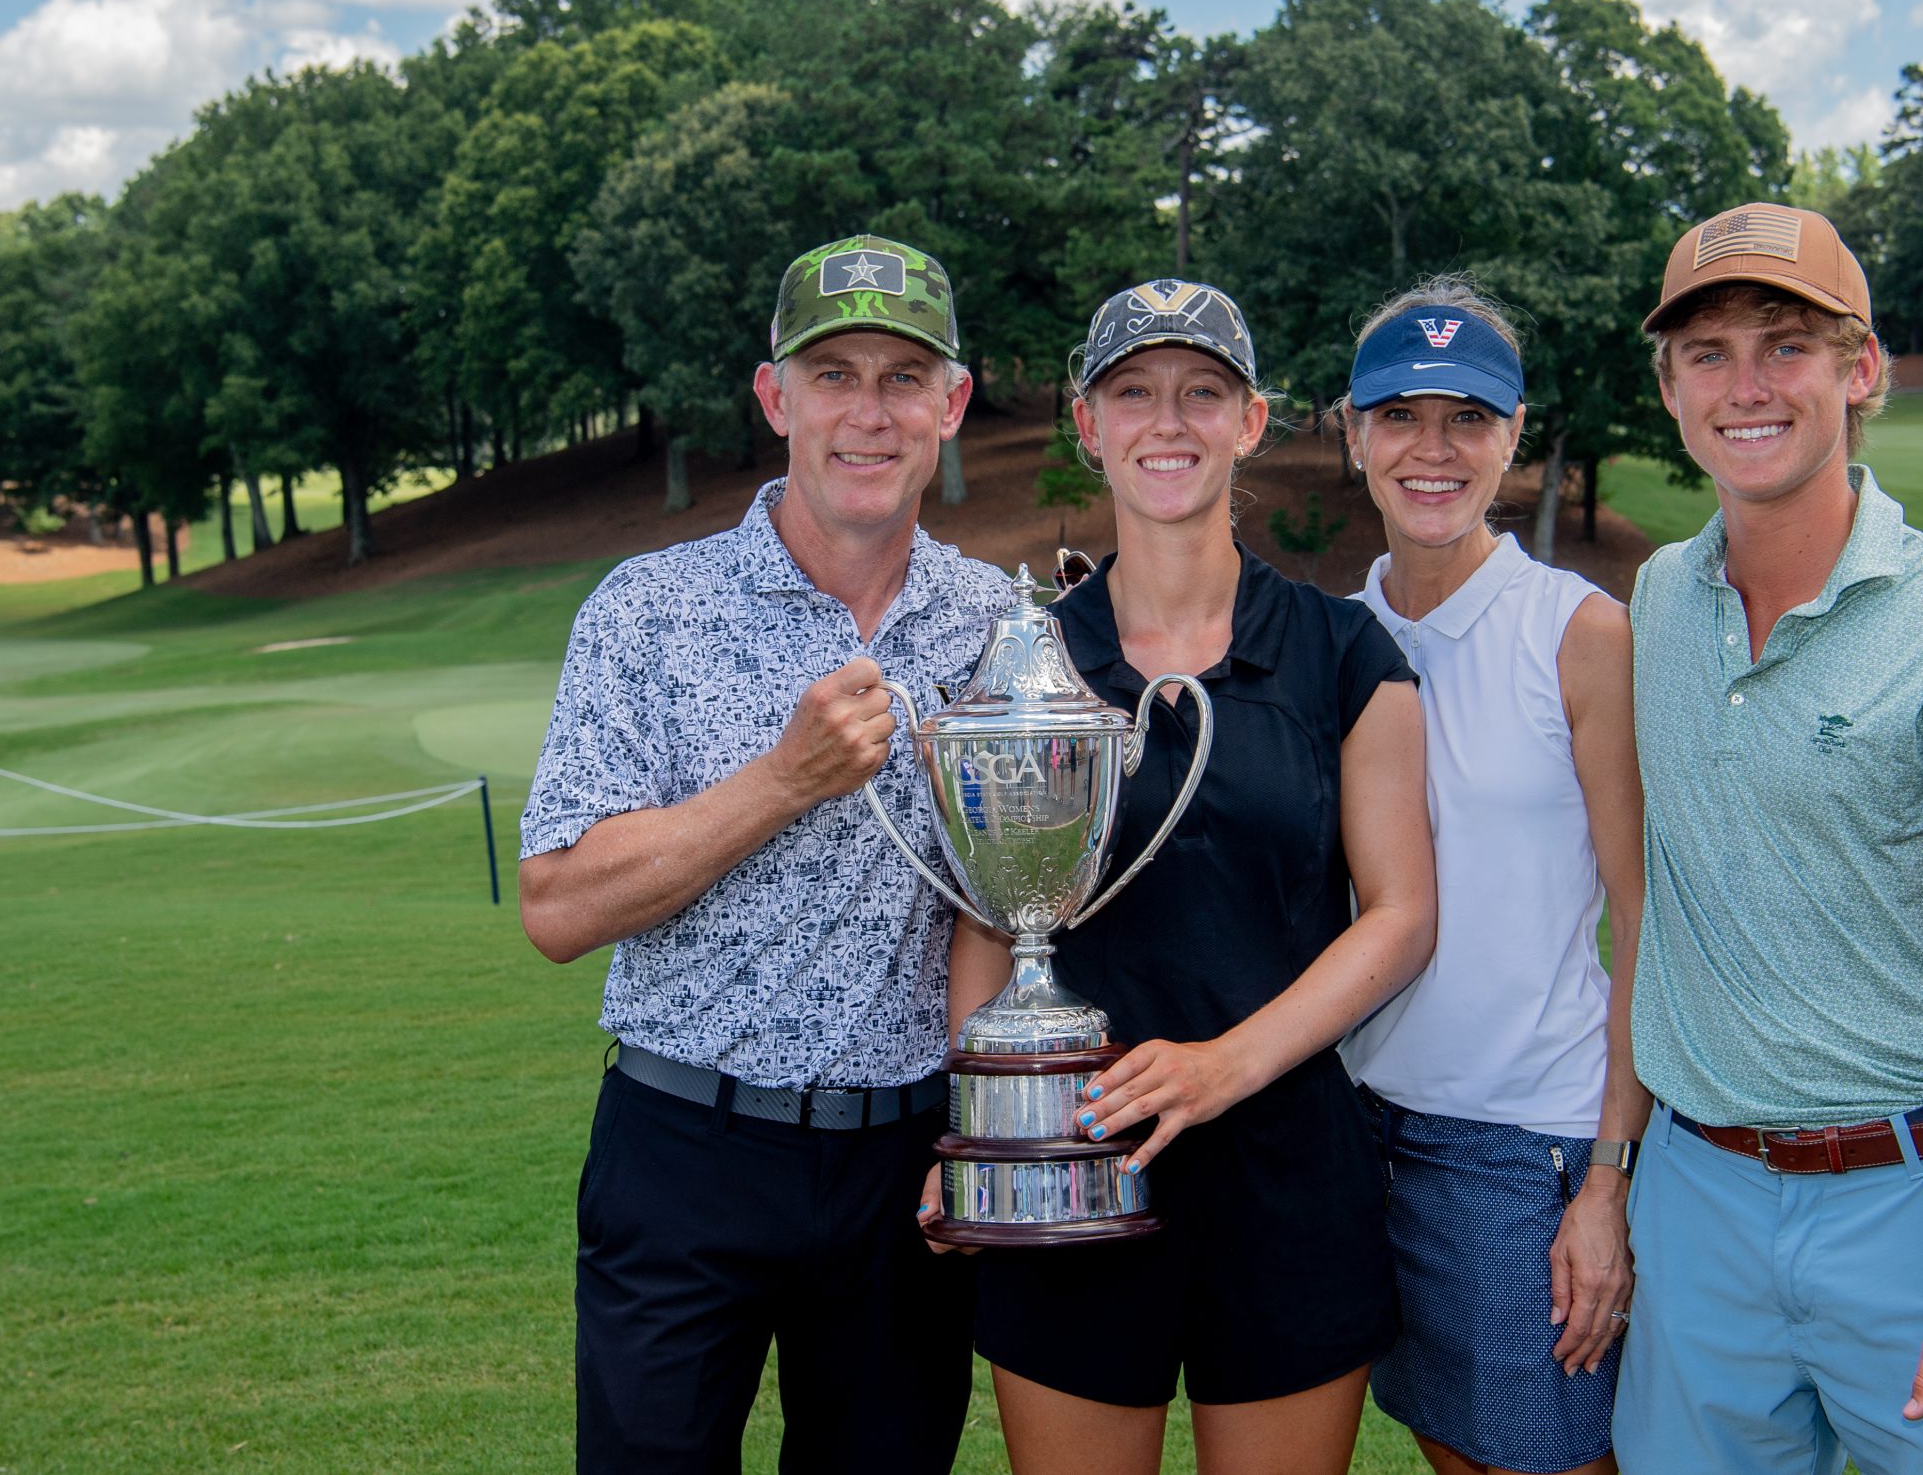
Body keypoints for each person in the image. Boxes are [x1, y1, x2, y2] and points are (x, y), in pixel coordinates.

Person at [517, 235, 1010, 1473]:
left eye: (904, 377)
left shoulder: (999, 622)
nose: (868, 412)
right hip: (688, 1149)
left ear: (951, 404)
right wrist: (783, 781)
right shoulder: (648, 607)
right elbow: (559, 906)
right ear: (773, 396)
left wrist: (983, 1124)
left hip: (907, 1166)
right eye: (833, 373)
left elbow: (1001, 906)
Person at [929, 278, 1439, 1475]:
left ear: (1250, 421)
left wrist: (1222, 1069)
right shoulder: (1027, 660)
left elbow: (1402, 916)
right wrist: (989, 1140)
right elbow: (984, 923)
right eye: (1134, 394)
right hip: (1072, 1165)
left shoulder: (1346, 652)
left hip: (1286, 1180)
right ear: (1087, 422)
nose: (1170, 421)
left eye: (1202, 393)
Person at [1611, 204, 1923, 1473]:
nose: (1745, 385)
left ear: (1860, 369)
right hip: (1697, 1194)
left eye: (1786, 345)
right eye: (1706, 353)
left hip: (1915, 1197)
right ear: (1667, 390)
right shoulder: (1657, 598)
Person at [1335, 278, 1651, 1475]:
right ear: (1352, 431)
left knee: (1556, 1460)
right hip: (1362, 1133)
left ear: (1514, 434)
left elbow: (1644, 919)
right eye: (1400, 415)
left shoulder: (1578, 633)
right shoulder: (1335, 637)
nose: (1432, 449)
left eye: (1466, 417)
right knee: (1452, 1452)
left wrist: (1607, 1184)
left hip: (1529, 1144)